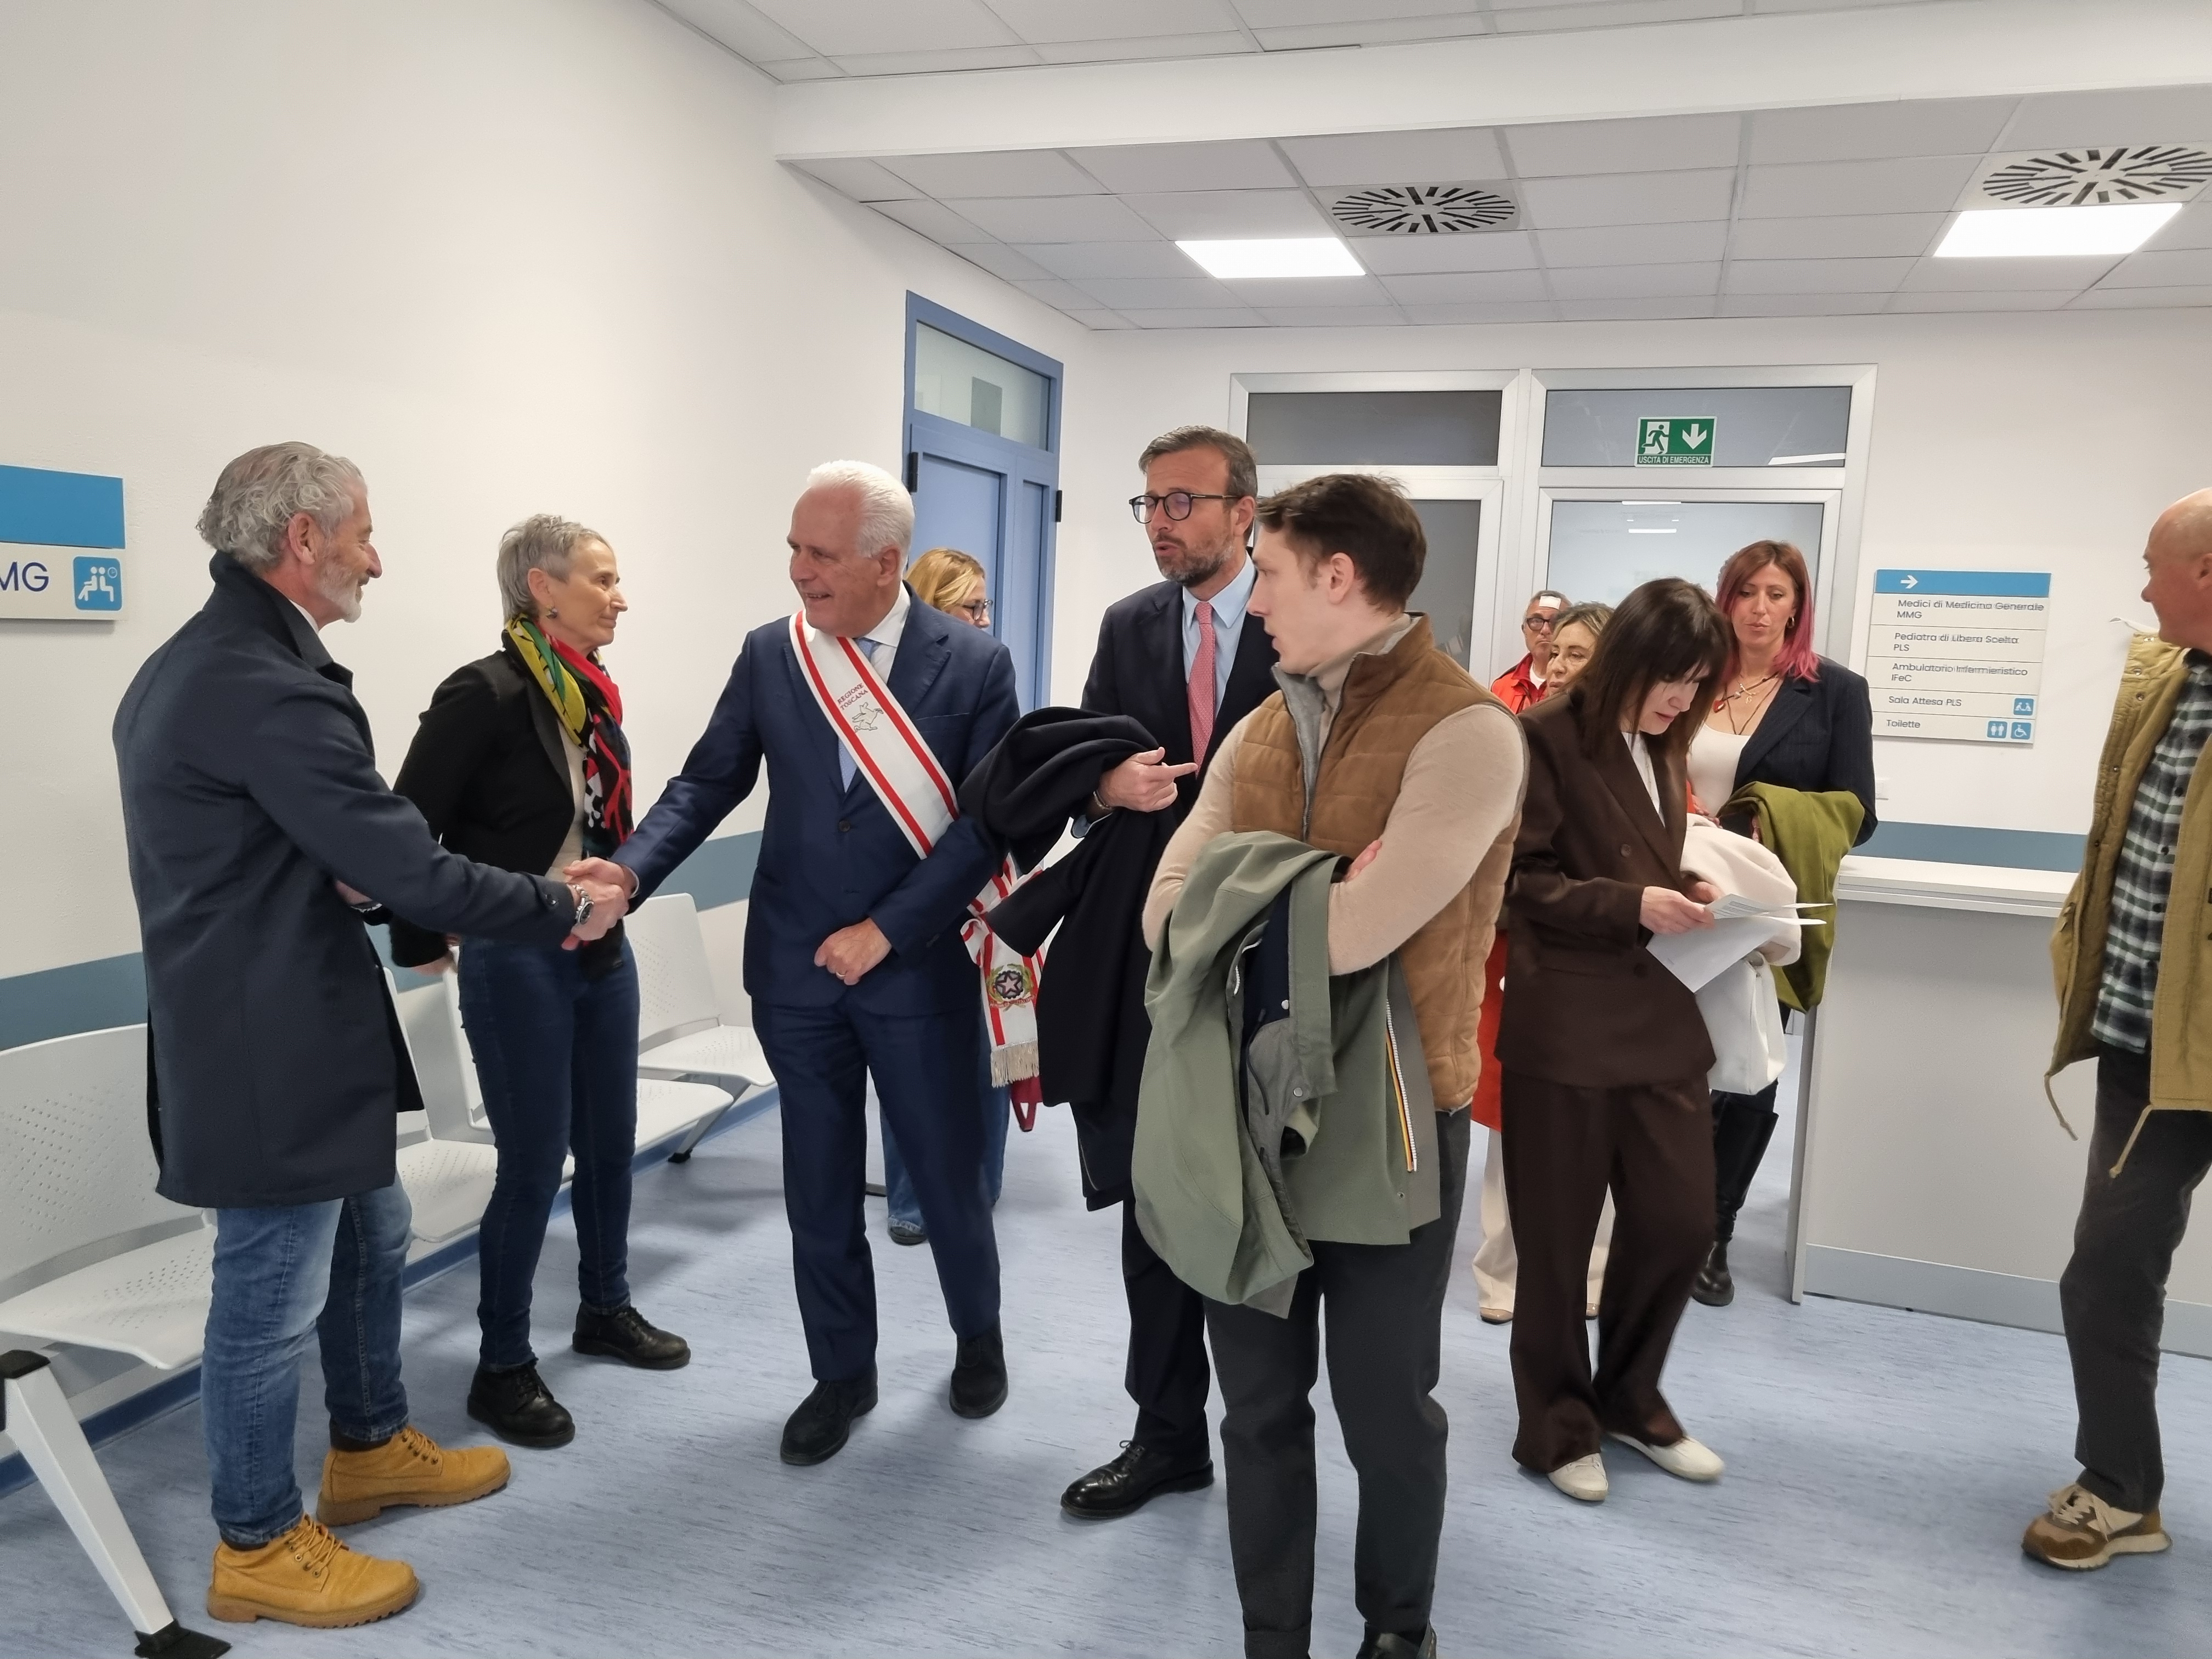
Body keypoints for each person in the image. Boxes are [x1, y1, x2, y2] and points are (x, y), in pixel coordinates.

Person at [112, 443, 627, 1629]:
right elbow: (409, 866)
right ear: (303, 540)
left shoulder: (214, 663)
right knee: (268, 1295)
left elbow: (310, 848)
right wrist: (562, 902)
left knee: (373, 1231)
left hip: (293, 1018)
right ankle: (256, 1542)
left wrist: (355, 875)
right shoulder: (259, 681)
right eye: (361, 537)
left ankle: (370, 1445)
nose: (375, 561)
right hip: (268, 1042)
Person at [567, 461, 1019, 1466]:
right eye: (793, 549)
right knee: (816, 1184)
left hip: (916, 968)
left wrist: (887, 929)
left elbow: (984, 828)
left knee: (946, 1175)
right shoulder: (774, 654)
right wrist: (630, 872)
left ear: (885, 563)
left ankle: (977, 1337)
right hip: (794, 968)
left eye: (821, 554)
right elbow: (707, 781)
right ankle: (841, 1373)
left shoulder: (974, 663)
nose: (799, 571)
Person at [1144, 472, 1524, 1659]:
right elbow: (1162, 910)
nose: (1252, 598)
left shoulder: (1469, 732)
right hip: (1246, 1110)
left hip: (1393, 1121)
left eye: (1268, 572)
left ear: (1339, 576)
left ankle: (1397, 1630)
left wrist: (1239, 892)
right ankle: (1273, 1636)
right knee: (1256, 1408)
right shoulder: (1260, 724)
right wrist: (1305, 887)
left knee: (1385, 1411)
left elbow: (1362, 934)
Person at [388, 515, 688, 1451]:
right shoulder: (482, 692)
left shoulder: (590, 693)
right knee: (531, 1162)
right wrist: (418, 935)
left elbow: (602, 821)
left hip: (601, 947)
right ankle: (503, 1364)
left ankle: (605, 1306)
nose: (620, 598)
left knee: (610, 1143)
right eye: (602, 579)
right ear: (541, 587)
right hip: (515, 953)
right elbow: (407, 824)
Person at [1059, 425, 1280, 1521]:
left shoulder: (1298, 623)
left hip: (1273, 953)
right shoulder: (1129, 625)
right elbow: (1081, 771)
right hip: (1149, 958)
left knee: (1260, 1194)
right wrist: (1107, 790)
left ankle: (1268, 1435)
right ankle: (1165, 1433)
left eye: (1182, 501)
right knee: (1153, 1191)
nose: (1160, 522)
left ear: (1246, 512)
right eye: (1148, 503)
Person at [1499, 576, 1731, 1504]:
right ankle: (1556, 1425)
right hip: (1565, 1022)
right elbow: (1517, 880)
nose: (1683, 698)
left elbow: (1638, 854)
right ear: (1631, 657)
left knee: (1681, 1220)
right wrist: (1631, 902)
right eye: (1673, 678)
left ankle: (1630, 1396)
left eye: (1699, 683)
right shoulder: (1543, 735)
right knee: (1556, 1245)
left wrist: (1688, 889)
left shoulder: (1662, 741)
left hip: (1656, 1016)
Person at [2025, 488, 2212, 1571]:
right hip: (2150, 1043)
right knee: (2105, 1269)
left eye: (2153, 565)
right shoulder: (2164, 683)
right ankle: (2121, 1489)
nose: (2141, 588)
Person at [1684, 541, 1876, 1306]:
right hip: (1679, 894)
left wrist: (1767, 817)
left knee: (1749, 1068)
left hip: (1759, 906)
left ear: (1798, 605)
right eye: (1747, 592)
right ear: (1724, 599)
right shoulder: (1691, 676)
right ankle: (1658, 1217)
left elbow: (1858, 811)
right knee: (1668, 1063)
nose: (1760, 609)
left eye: (1777, 593)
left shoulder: (1833, 692)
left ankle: (1714, 1234)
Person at [1470, 600, 1615, 1323]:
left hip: (1606, 958)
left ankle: (1592, 1273)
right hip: (1520, 950)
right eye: (1555, 653)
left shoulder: (1640, 750)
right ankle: (1502, 1274)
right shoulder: (1515, 735)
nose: (1556, 667)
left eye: (1576, 655)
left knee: (1597, 1120)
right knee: (1515, 1121)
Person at [873, 545, 1011, 1248]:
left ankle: (979, 1185)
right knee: (909, 1056)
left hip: (978, 890)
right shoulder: (875, 690)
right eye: (971, 607)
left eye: (986, 607)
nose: (984, 620)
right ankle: (911, 1198)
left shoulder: (991, 675)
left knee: (986, 1046)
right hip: (899, 900)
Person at [1489, 588, 1566, 712]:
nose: (1545, 630)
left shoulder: (1578, 686)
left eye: (1555, 622)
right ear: (1524, 630)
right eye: (1536, 621)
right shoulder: (1502, 687)